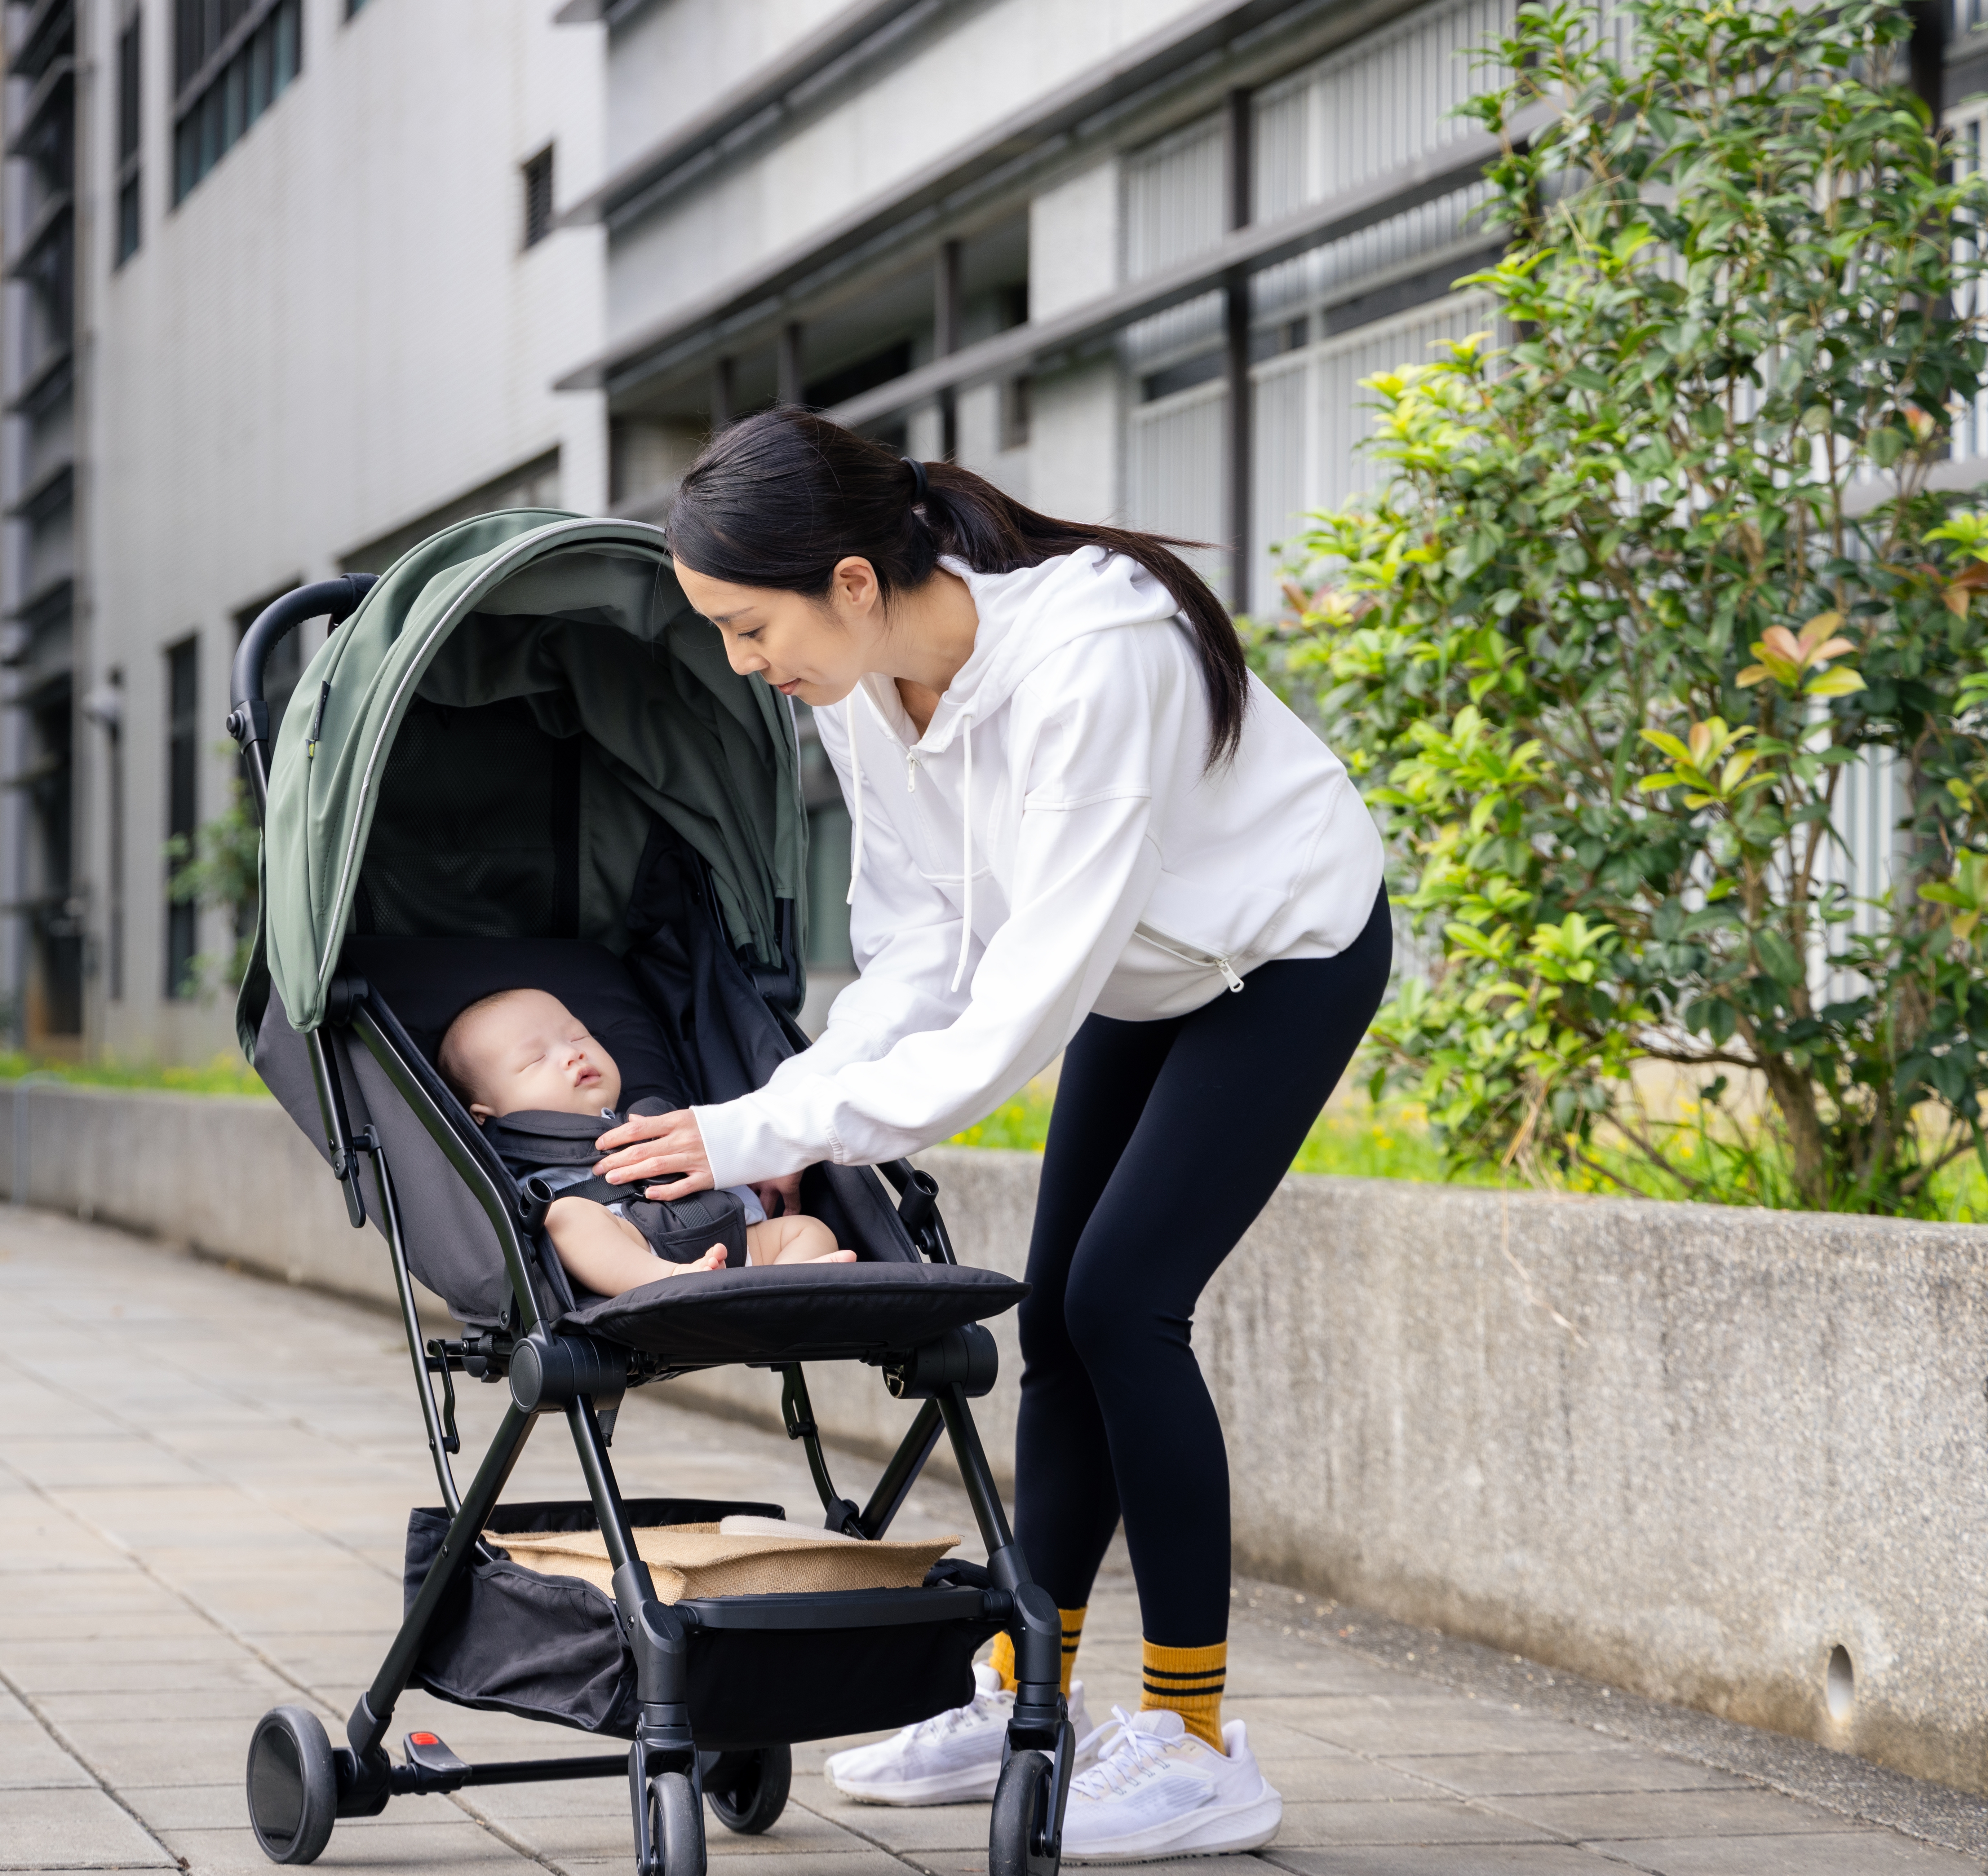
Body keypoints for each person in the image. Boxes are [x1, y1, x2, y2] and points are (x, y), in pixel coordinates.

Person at [590, 409, 1390, 1862]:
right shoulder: (859, 685)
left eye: (744, 624)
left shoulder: (1098, 655)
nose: (738, 663)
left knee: (1123, 1302)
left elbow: (1015, 1012)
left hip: (1278, 954)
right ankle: (1032, 1695)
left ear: (847, 578)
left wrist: (755, 1122)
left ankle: (1203, 1742)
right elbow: (920, 945)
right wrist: (787, 1115)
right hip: (1132, 972)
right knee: (1060, 1330)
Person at [436, 987, 854, 1295]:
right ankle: (673, 1282)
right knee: (563, 1218)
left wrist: (756, 1159)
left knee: (809, 1229)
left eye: (579, 1037)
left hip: (741, 1244)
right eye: (536, 1058)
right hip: (639, 1246)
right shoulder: (516, 1157)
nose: (572, 1054)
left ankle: (782, 1288)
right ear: (485, 1116)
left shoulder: (659, 1117)